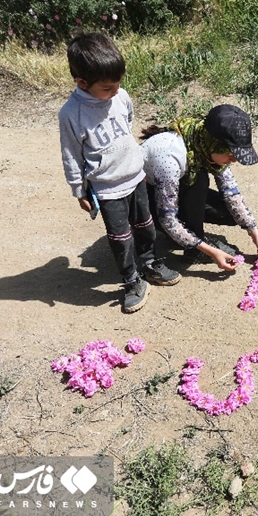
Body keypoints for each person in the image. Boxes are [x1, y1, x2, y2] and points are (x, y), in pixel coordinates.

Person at [58, 32, 180, 313]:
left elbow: (128, 122)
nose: (115, 91)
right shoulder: (71, 114)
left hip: (136, 178)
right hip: (108, 188)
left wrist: (132, 159)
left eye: (118, 84)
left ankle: (150, 263)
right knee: (120, 238)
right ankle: (131, 279)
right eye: (107, 88)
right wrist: (78, 189)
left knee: (146, 226)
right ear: (82, 83)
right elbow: (71, 154)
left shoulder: (120, 97)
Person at [140, 105, 258, 272]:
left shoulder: (204, 142)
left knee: (229, 213)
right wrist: (209, 251)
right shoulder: (170, 159)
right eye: (231, 154)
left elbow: (231, 193)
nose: (234, 160)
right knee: (200, 179)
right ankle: (193, 249)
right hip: (148, 200)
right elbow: (168, 219)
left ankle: (188, 234)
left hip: (175, 189)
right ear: (215, 145)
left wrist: (255, 235)